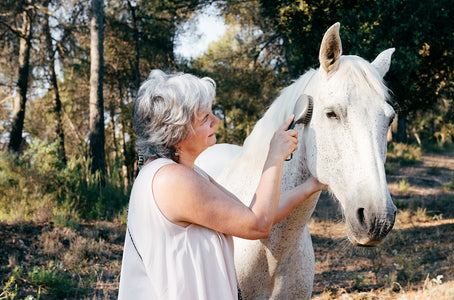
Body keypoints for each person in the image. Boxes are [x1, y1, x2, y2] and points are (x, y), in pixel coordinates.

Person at [118, 70, 325, 299]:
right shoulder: (172, 181)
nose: (215, 121)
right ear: (174, 132)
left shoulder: (185, 172)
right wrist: (273, 158)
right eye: (205, 117)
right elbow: (258, 224)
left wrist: (310, 186)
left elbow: (251, 212)